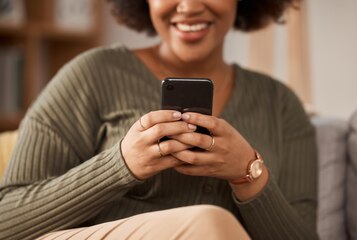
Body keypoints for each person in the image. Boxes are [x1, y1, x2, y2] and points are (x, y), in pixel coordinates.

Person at [0, 0, 318, 239]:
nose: (189, 6)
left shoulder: (281, 105)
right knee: (209, 223)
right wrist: (122, 164)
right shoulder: (92, 74)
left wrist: (248, 172)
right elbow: (7, 218)